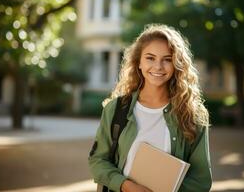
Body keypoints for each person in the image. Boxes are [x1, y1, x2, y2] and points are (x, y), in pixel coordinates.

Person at [88, 24, 212, 192]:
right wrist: (127, 186)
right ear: (138, 62)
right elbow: (98, 161)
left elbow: (201, 179)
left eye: (167, 59)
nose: (158, 66)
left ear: (177, 64)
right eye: (150, 58)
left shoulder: (193, 114)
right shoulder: (115, 109)